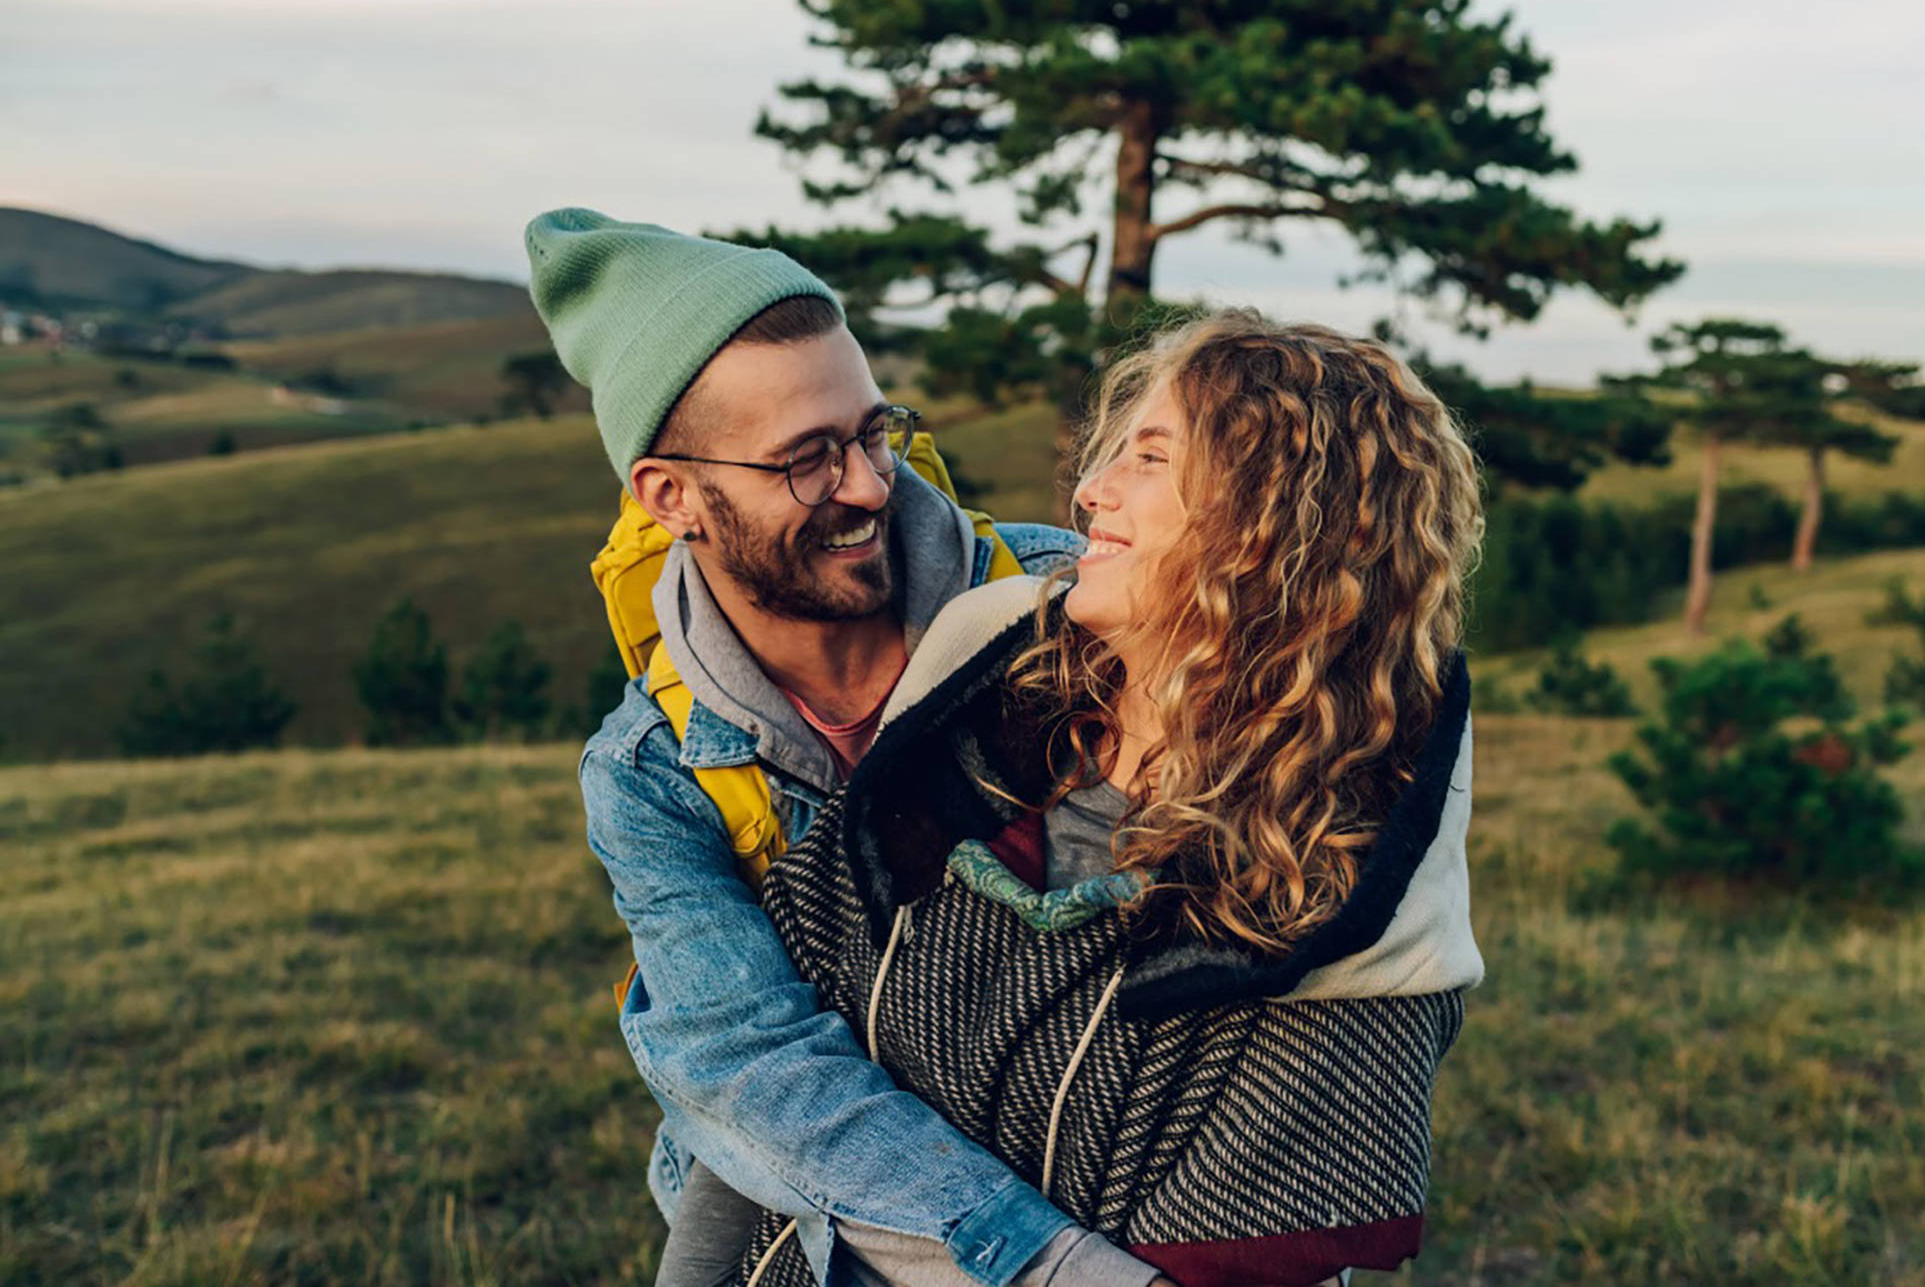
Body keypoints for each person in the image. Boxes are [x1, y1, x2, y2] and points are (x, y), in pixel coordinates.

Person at [745, 309, 1488, 1285]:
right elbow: (774, 1071)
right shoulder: (975, 699)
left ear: (1276, 519)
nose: (1090, 491)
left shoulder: (1341, 904)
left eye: (1148, 457)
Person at [526, 209, 1158, 1287]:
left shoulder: (1065, 608)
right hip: (833, 1239)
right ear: (669, 496)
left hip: (1123, 1182)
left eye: (872, 432)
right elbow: (755, 1063)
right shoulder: (654, 773)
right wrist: (1051, 1269)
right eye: (808, 460)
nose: (868, 484)